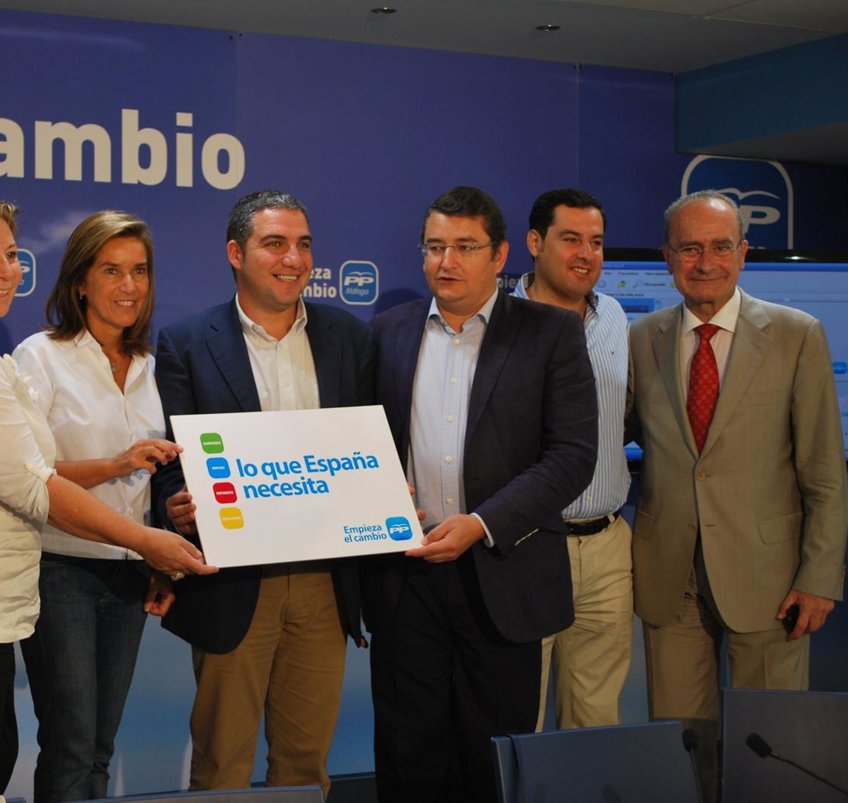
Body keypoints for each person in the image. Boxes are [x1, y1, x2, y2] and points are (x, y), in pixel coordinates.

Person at [0, 186, 213, 803]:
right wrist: (149, 541)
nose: (6, 271)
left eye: (11, 255)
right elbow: (35, 484)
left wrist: (150, 540)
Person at [362, 186, 598, 803]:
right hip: (405, 580)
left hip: (502, 574)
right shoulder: (387, 331)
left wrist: (482, 523)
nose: (447, 262)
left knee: (492, 763)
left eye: (465, 247)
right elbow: (362, 443)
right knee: (407, 757)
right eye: (435, 247)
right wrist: (378, 490)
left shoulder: (551, 333)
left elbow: (572, 456)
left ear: (500, 256)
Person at [627, 189, 848, 802]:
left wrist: (820, 578)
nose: (705, 263)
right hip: (670, 572)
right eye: (690, 248)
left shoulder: (796, 334)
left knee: (769, 746)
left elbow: (825, 472)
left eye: (720, 247)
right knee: (680, 743)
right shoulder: (642, 336)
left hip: (771, 579)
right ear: (667, 256)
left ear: (743, 253)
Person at [151, 190, 368, 796]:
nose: (293, 259)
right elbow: (168, 461)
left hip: (324, 582)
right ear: (235, 253)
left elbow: (371, 444)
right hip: (233, 581)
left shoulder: (349, 337)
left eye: (303, 244)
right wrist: (174, 505)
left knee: (305, 765)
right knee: (222, 765)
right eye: (275, 244)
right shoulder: (186, 343)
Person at [15, 210, 180, 802]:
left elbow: (161, 482)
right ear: (80, 281)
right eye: (111, 270)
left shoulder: (155, 369)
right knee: (71, 745)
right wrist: (115, 463)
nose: (129, 285)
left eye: (140, 270)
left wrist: (160, 561)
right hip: (59, 567)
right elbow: (25, 473)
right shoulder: (40, 357)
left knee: (100, 746)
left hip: (130, 571)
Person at [514, 188, 632, 731]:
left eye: (596, 242)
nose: (586, 254)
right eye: (570, 240)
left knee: (596, 720)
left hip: (607, 546)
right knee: (521, 715)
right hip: (526, 545)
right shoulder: (499, 321)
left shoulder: (615, 318)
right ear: (535, 243)